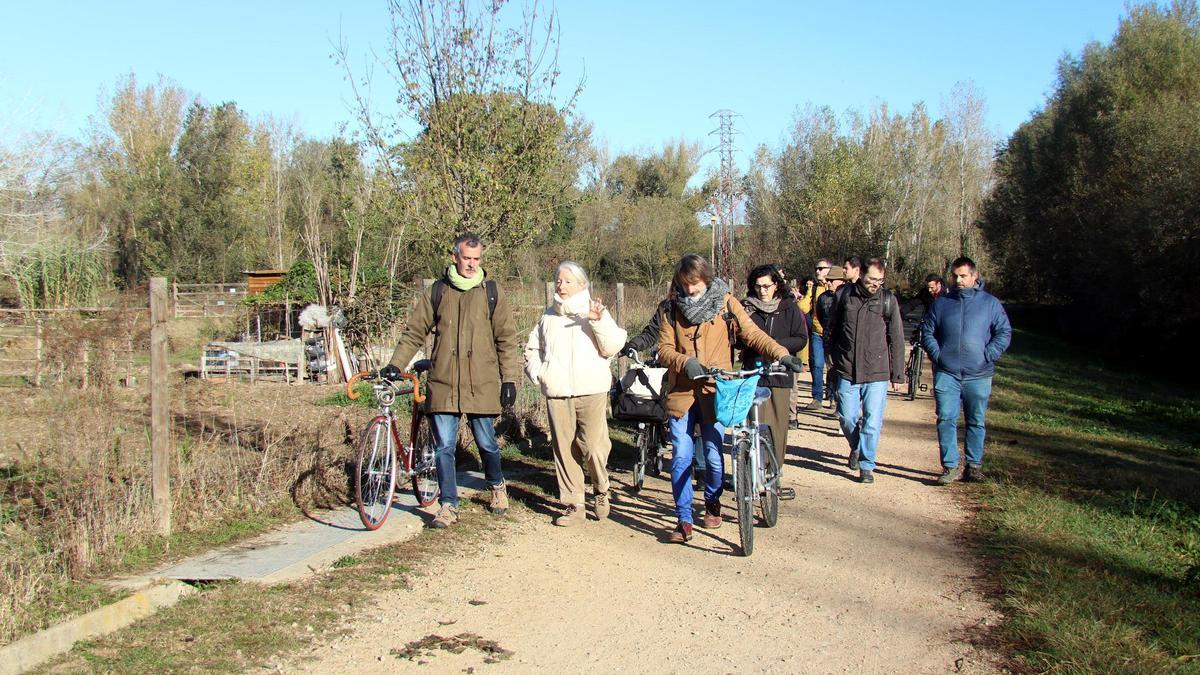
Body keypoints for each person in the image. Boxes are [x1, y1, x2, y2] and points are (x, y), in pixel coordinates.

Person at [656, 254, 803, 543]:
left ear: (706, 280)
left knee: (713, 454)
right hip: (683, 393)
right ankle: (683, 519)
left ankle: (712, 501)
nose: (690, 291)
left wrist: (782, 354)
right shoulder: (670, 310)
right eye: (685, 285)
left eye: (695, 284)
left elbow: (752, 334)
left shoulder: (725, 303)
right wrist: (685, 362)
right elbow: (664, 349)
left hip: (716, 391)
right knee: (682, 457)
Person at [388, 233, 522, 529]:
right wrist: (395, 365)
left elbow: (507, 340)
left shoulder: (492, 292)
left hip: (481, 382)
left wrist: (509, 379)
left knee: (487, 443)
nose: (472, 264)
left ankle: (497, 485)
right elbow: (413, 332)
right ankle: (448, 505)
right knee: (444, 447)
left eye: (477, 259)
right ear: (454, 257)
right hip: (445, 382)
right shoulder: (437, 292)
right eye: (467, 258)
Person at [524, 262, 627, 525]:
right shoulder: (548, 317)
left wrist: (599, 321)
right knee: (565, 450)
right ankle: (574, 505)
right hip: (557, 392)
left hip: (591, 389)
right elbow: (532, 350)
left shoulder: (593, 311)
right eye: (559, 280)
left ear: (583, 285)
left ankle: (601, 488)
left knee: (593, 446)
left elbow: (613, 346)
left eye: (568, 281)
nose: (561, 285)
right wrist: (540, 373)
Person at [920, 257, 1012, 484]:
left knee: (976, 420)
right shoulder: (942, 304)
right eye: (955, 276)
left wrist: (988, 354)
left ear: (974, 276)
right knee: (945, 418)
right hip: (947, 373)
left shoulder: (990, 303)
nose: (958, 280)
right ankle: (950, 466)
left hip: (979, 374)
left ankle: (973, 466)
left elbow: (1004, 332)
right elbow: (927, 331)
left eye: (963, 276)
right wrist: (938, 355)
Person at [824, 258, 905, 484]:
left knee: (872, 421)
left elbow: (896, 338)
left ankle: (867, 465)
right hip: (847, 368)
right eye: (871, 280)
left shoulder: (887, 300)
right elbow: (831, 328)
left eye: (880, 281)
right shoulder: (843, 296)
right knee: (847, 417)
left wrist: (898, 373)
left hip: (877, 371)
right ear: (861, 275)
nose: (875, 285)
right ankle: (857, 446)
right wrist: (831, 356)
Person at [738, 264, 808, 475]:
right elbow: (736, 340)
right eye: (758, 286)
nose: (762, 291)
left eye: (767, 286)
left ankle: (774, 471)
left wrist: (775, 345)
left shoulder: (789, 307)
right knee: (755, 425)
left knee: (777, 427)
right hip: (754, 372)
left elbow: (801, 339)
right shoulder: (746, 309)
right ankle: (754, 472)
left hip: (780, 373)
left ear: (776, 284)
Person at [799, 258, 835, 411]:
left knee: (833, 367)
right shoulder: (814, 289)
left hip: (833, 334)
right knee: (817, 365)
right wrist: (808, 292)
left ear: (830, 270)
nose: (817, 271)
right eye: (816, 268)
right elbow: (803, 308)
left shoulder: (838, 288)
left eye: (821, 268)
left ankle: (834, 398)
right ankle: (817, 398)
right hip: (816, 333)